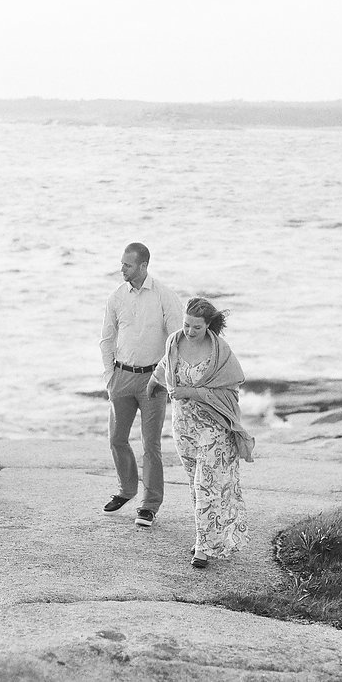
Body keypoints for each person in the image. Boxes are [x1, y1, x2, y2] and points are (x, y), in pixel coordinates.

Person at [148, 297, 253, 569]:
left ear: (209, 326)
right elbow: (165, 364)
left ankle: (203, 548)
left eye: (196, 327)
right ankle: (205, 536)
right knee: (196, 485)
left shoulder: (220, 352)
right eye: (186, 325)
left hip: (213, 426)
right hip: (184, 427)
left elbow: (230, 388)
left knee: (206, 485)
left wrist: (190, 392)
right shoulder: (175, 341)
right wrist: (154, 383)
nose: (189, 331)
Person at [99, 242, 183, 527]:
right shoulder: (116, 297)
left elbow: (176, 341)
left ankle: (149, 505)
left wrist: (164, 376)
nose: (121, 268)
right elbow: (107, 339)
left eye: (127, 265)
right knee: (116, 439)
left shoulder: (165, 296)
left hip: (153, 380)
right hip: (121, 376)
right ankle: (127, 490)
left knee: (151, 444)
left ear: (143, 266)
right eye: (122, 263)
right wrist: (110, 376)